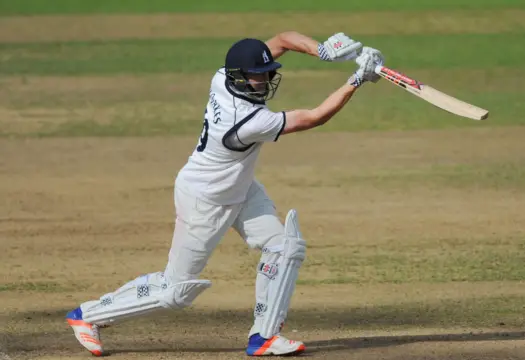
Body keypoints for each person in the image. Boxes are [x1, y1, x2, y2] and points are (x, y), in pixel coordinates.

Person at [64, 31, 384, 357]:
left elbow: (283, 39)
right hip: (207, 198)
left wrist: (324, 51)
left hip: (240, 187)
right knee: (175, 290)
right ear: (240, 77)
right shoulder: (246, 121)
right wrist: (357, 79)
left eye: (266, 73)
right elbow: (315, 117)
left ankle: (264, 337)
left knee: (285, 247)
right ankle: (87, 315)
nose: (264, 80)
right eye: (257, 76)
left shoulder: (223, 77)